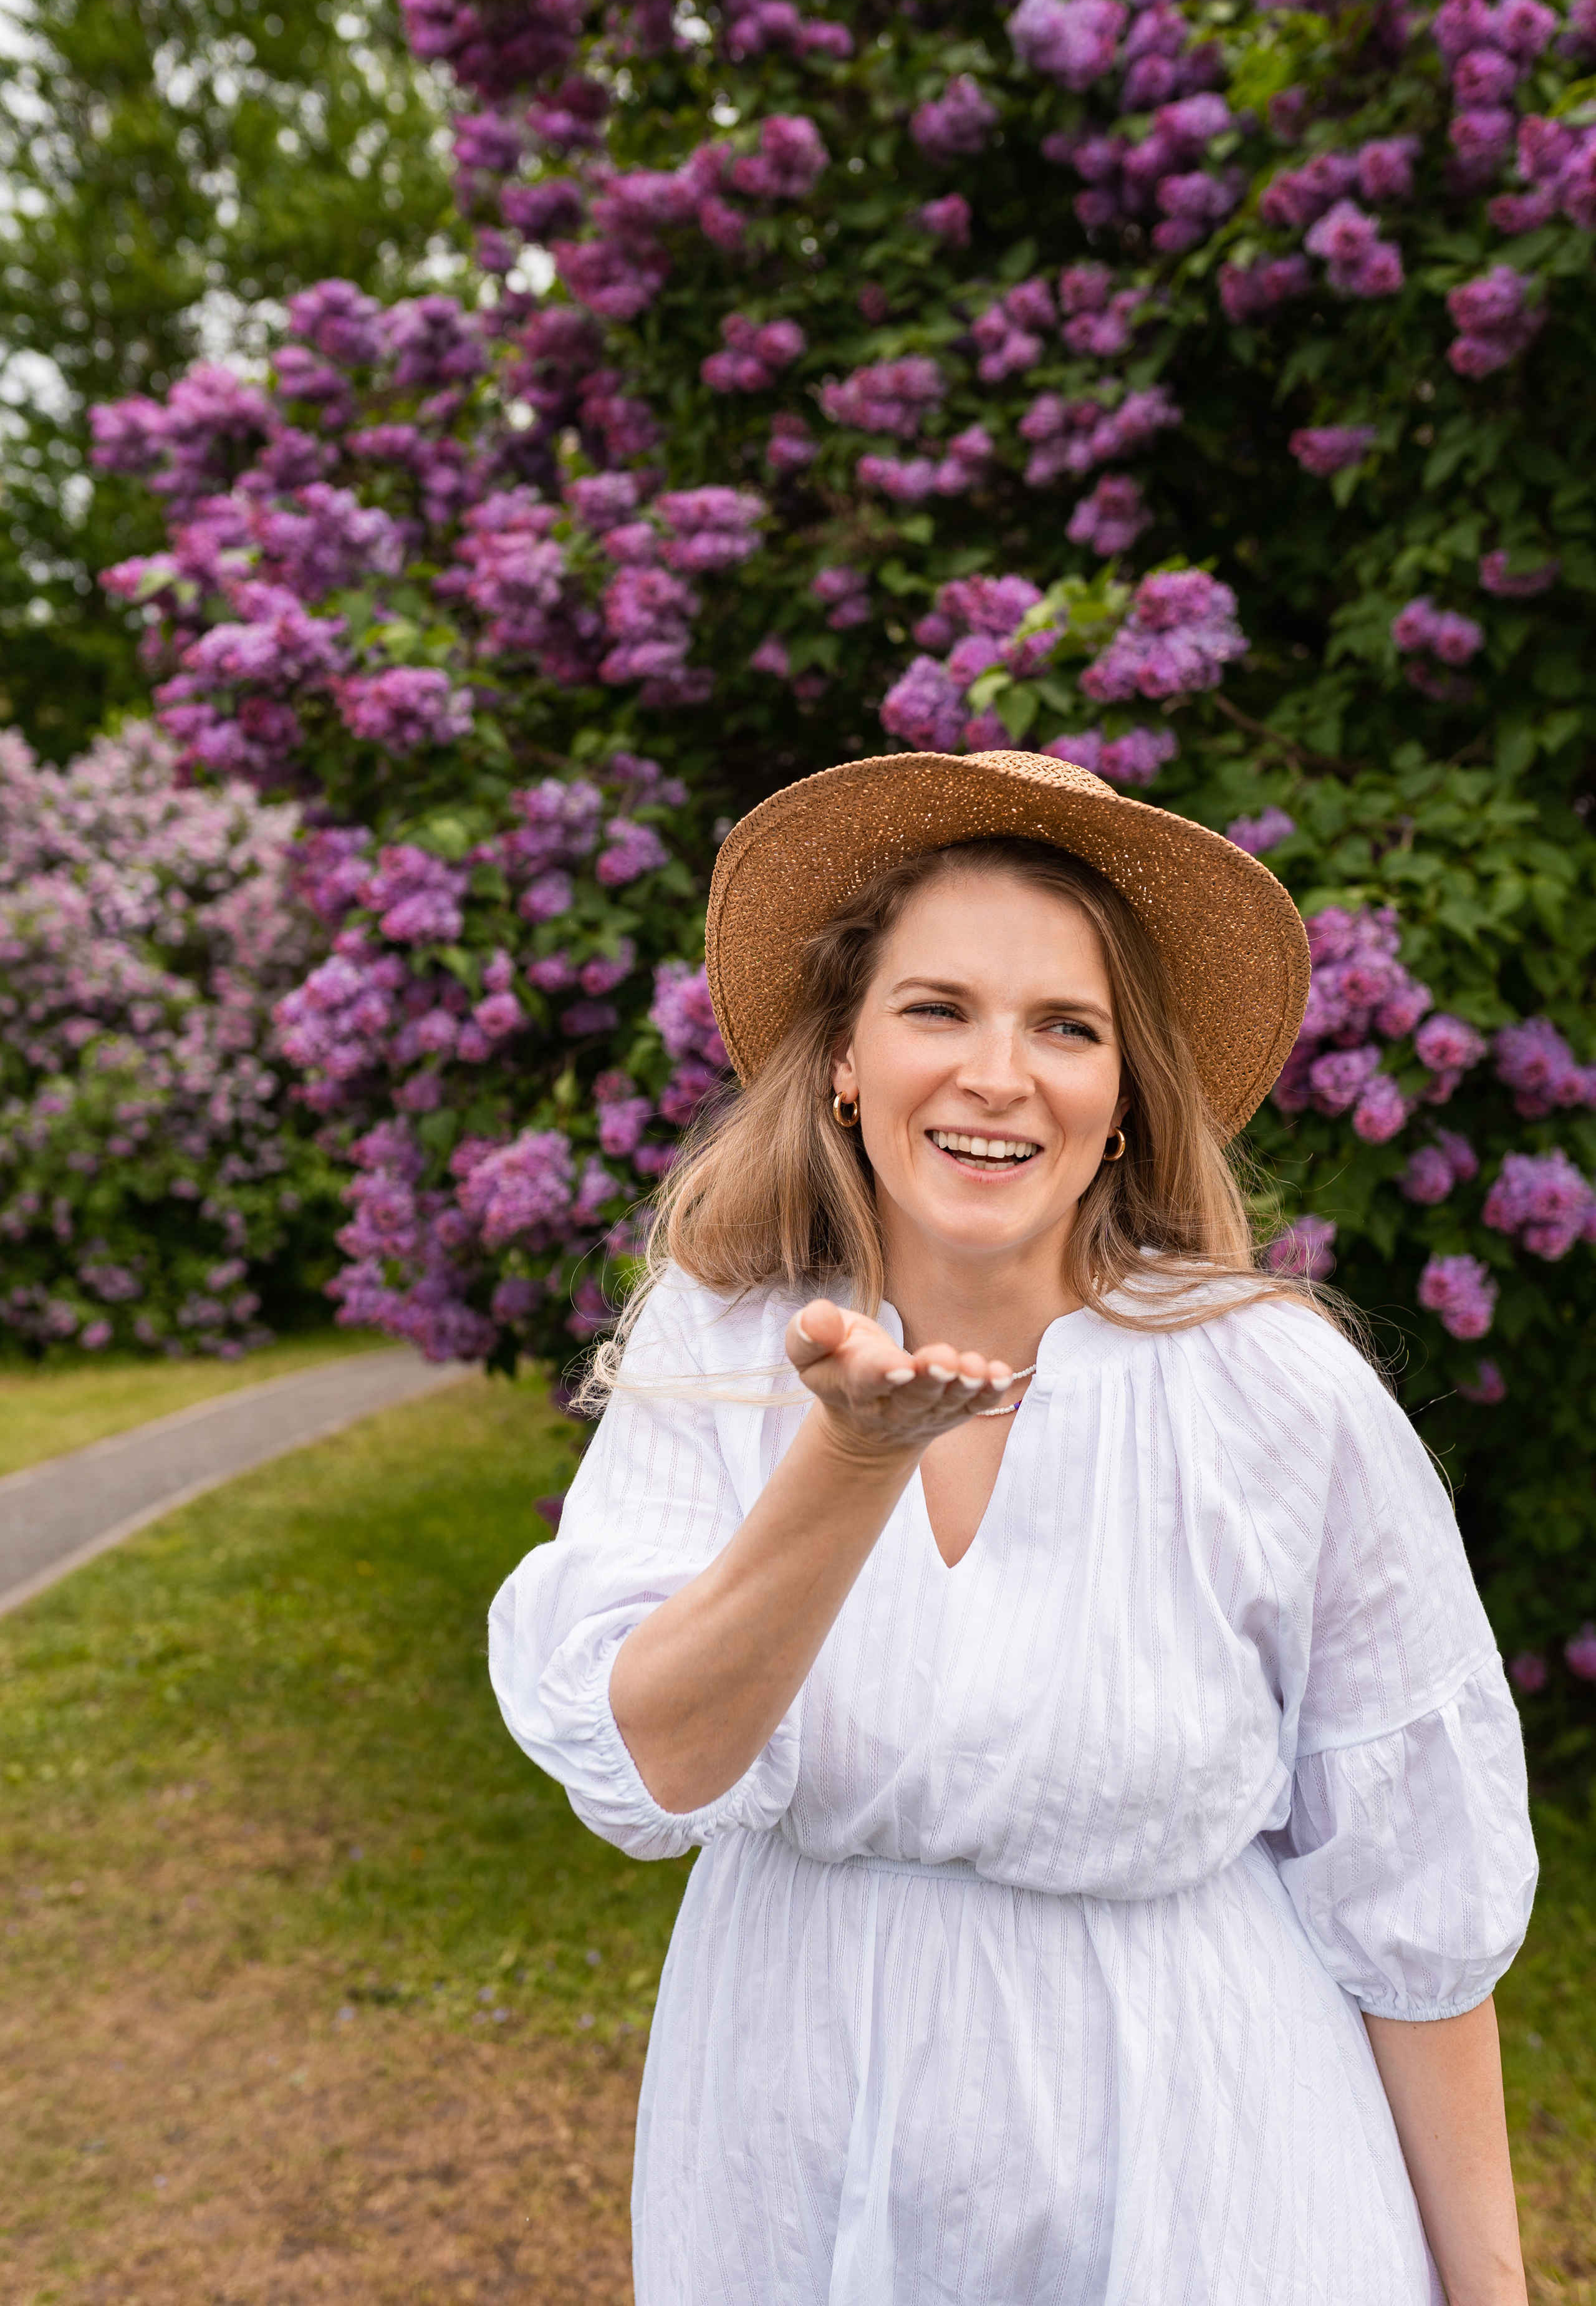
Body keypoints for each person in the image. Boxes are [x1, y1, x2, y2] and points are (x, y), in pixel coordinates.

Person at [489, 749, 1537, 2306]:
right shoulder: (718, 1344)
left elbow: (1412, 1908)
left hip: (1207, 2163)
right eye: (936, 1010)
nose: (998, 1074)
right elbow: (653, 1766)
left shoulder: (1273, 1391)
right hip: (801, 2135)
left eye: (1065, 1026)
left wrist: (1491, 2294)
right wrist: (849, 1462)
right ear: (841, 1056)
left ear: (1121, 1099)